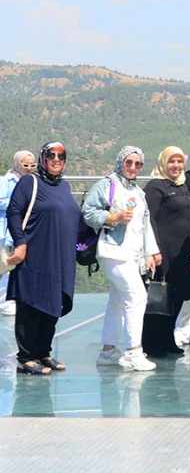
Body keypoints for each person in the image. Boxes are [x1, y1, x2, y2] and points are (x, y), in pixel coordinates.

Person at [5, 143, 81, 375]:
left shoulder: (64, 185)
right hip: (36, 255)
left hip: (61, 256)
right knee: (31, 304)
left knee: (52, 305)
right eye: (51, 155)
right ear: (43, 158)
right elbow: (14, 211)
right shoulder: (31, 182)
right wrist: (20, 242)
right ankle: (26, 358)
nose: (57, 159)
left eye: (61, 156)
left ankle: (43, 353)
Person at [84, 146, 161, 372]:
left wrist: (150, 252)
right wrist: (112, 217)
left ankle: (108, 351)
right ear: (120, 162)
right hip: (113, 251)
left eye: (138, 164)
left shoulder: (138, 192)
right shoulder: (107, 185)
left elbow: (144, 225)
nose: (133, 168)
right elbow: (88, 213)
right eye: (129, 162)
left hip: (132, 254)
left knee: (117, 302)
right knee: (137, 296)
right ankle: (133, 351)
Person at [142, 146, 190, 357]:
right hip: (162, 251)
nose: (176, 166)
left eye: (179, 162)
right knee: (159, 297)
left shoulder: (182, 185)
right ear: (163, 163)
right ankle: (151, 343)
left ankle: (167, 339)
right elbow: (149, 218)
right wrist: (153, 249)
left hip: (182, 253)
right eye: (171, 161)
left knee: (178, 296)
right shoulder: (156, 186)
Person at [0, 150, 34, 317]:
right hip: (6, 230)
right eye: (25, 165)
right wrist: (19, 203)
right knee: (5, 264)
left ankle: (14, 300)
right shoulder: (5, 181)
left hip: (25, 231)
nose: (29, 168)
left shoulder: (33, 182)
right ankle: (4, 303)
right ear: (17, 164)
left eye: (32, 165)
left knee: (17, 264)